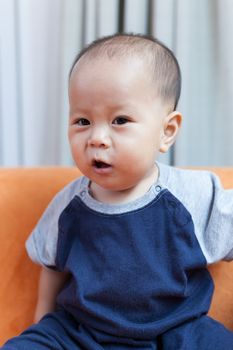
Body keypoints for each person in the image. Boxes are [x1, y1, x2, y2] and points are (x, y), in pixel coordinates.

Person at [2, 33, 233, 349]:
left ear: (166, 132)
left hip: (174, 331)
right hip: (80, 332)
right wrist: (41, 325)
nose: (97, 137)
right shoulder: (67, 205)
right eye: (82, 120)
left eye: (120, 120)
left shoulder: (193, 194)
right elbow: (51, 267)